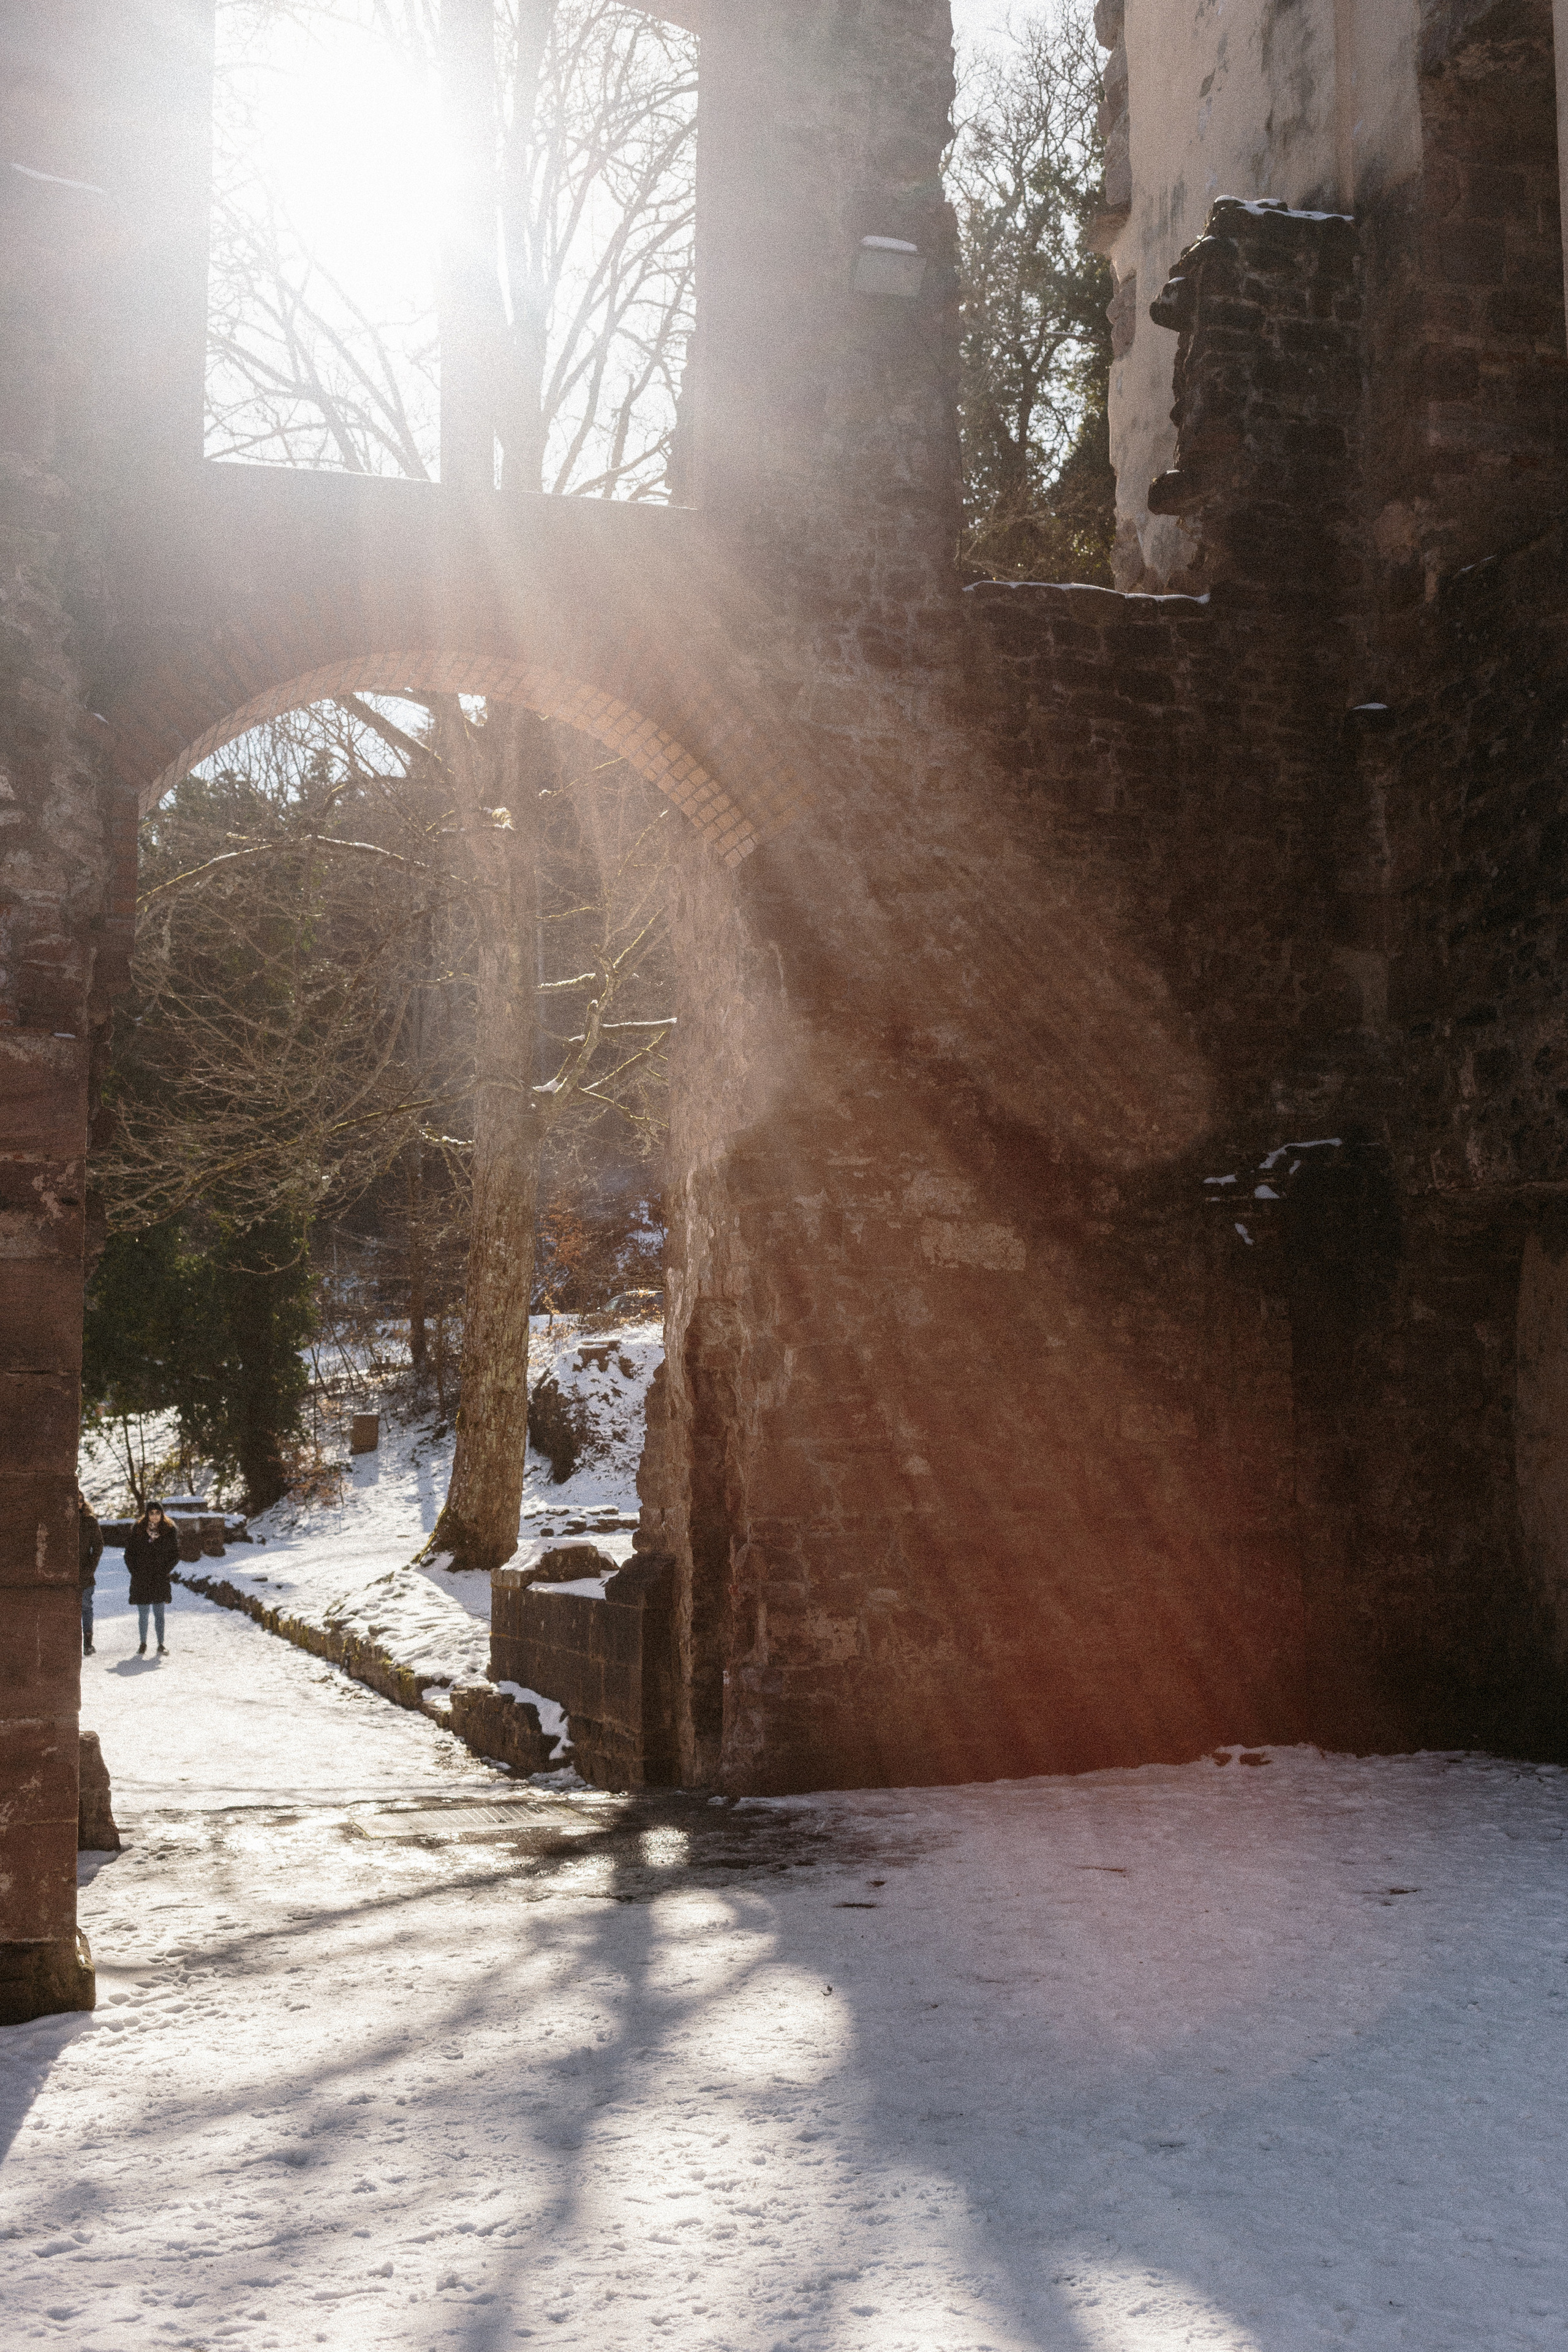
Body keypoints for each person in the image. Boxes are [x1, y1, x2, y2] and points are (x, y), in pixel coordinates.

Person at [124, 1501, 179, 1656]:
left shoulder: (169, 1530)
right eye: (152, 1513)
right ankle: (143, 1643)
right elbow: (129, 1554)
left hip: (159, 1578)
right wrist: (135, 1572)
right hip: (141, 1578)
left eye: (158, 1513)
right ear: (147, 1514)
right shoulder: (138, 1530)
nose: (155, 1516)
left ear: (162, 1514)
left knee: (159, 1613)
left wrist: (165, 1570)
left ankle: (161, 1644)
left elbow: (175, 1555)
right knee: (143, 1614)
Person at [77, 1491, 102, 1656]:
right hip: (66, 1575)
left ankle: (88, 1643)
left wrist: (90, 1568)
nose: (78, 1503)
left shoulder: (90, 1521)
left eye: (80, 1500)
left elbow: (98, 1546)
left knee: (86, 1607)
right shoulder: (62, 1520)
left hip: (85, 1574)